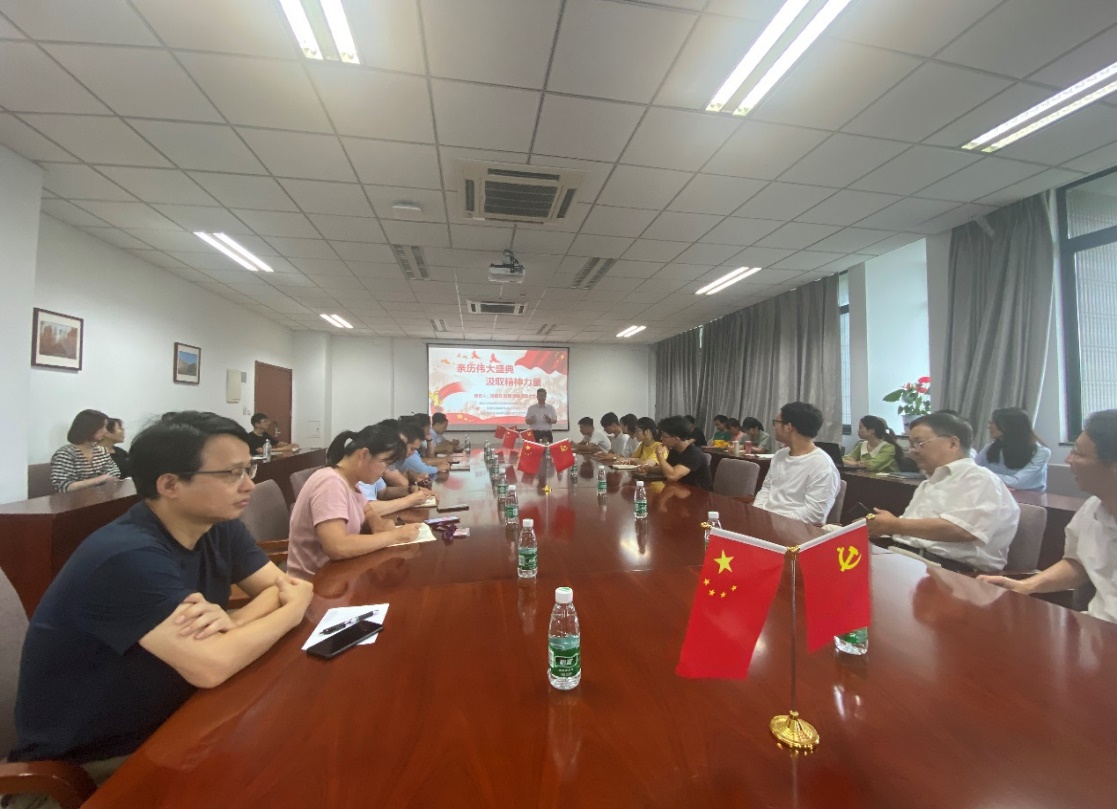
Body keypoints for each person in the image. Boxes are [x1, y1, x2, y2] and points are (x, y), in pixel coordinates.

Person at [10, 411, 314, 778]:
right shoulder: (126, 556)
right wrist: (293, 610)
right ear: (170, 484)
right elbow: (212, 665)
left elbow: (278, 587)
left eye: (248, 469)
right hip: (94, 766)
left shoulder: (217, 525)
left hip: (179, 721)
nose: (249, 484)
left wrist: (234, 621)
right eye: (233, 473)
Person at [980, 410, 1117, 621]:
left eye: (1079, 454)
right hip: (1097, 626)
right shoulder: (1092, 509)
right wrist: (1027, 585)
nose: (1068, 459)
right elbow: (1078, 563)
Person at [868, 412, 1020, 573]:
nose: (913, 451)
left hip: (951, 571)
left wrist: (894, 525)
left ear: (952, 443)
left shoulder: (979, 478)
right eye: (911, 444)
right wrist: (880, 526)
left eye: (919, 443)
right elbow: (911, 530)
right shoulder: (929, 483)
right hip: (907, 558)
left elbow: (962, 530)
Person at [287, 424, 422, 580]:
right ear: (364, 455)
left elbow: (367, 510)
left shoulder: (350, 481)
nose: (385, 471)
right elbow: (337, 546)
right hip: (314, 584)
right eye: (385, 463)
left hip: (339, 575)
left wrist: (377, 523)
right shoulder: (330, 482)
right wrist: (395, 536)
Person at [751, 402, 840, 524]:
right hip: (765, 521)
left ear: (788, 427)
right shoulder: (779, 455)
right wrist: (758, 513)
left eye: (776, 422)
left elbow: (815, 513)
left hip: (795, 529)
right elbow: (766, 489)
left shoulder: (822, 465)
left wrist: (774, 521)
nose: (774, 427)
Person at [975, 407, 1051, 492]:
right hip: (997, 493)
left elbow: (1016, 482)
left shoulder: (1041, 453)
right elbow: (971, 469)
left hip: (1030, 497)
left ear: (1009, 426)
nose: (989, 427)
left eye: (993, 423)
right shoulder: (989, 448)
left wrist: (982, 474)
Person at [50, 409, 122, 492]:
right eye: (102, 427)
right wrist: (99, 479)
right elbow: (63, 486)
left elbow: (114, 474)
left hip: (102, 496)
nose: (105, 431)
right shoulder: (65, 454)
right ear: (90, 428)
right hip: (75, 499)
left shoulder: (101, 450)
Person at [653, 416, 713, 491]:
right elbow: (666, 469)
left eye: (664, 436)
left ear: (676, 439)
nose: (661, 438)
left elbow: (672, 476)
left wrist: (659, 454)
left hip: (699, 494)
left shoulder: (693, 454)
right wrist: (648, 469)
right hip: (680, 490)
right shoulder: (675, 450)